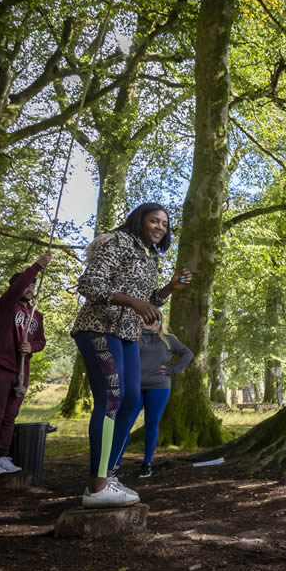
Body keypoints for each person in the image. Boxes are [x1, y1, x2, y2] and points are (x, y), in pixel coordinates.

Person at [71, 203, 191, 508]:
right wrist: (131, 302)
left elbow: (147, 300)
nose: (160, 227)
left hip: (127, 334)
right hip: (98, 328)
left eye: (165, 224)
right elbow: (89, 283)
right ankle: (96, 487)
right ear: (140, 221)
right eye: (155, 221)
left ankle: (110, 475)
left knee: (131, 402)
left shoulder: (151, 257)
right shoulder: (116, 241)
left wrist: (169, 289)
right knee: (111, 399)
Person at [0, 252, 51, 477]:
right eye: (26, 285)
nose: (30, 288)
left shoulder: (36, 315)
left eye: (33, 286)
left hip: (20, 372)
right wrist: (38, 265)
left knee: (10, 416)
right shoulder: (6, 306)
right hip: (0, 366)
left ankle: (3, 456)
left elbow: (41, 340)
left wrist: (33, 347)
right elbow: (18, 286)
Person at [111, 318, 193, 478]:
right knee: (125, 423)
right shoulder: (135, 337)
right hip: (135, 387)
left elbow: (188, 354)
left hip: (159, 387)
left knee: (151, 423)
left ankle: (147, 464)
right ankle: (115, 465)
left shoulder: (169, 340)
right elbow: (127, 354)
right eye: (146, 321)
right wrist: (144, 334)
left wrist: (174, 370)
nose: (150, 324)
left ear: (160, 322)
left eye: (154, 321)